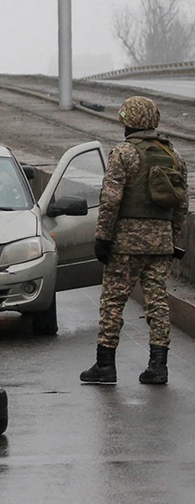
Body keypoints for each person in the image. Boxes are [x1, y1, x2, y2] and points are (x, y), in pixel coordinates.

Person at [80, 96, 188, 385]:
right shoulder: (174, 155)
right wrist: (173, 238)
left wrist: (103, 236)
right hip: (161, 243)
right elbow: (181, 206)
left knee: (113, 301)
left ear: (129, 121)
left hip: (126, 244)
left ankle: (105, 366)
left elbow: (111, 199)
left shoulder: (123, 153)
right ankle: (158, 366)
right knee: (158, 302)